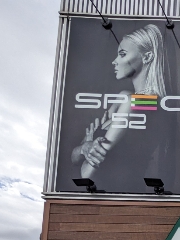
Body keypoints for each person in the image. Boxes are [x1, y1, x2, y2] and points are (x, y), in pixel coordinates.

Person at [71, 24, 174, 192]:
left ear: (147, 57)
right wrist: (84, 147)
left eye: (123, 54)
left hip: (116, 195)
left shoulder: (135, 103)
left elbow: (86, 174)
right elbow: (74, 157)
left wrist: (86, 146)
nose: (115, 61)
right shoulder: (124, 97)